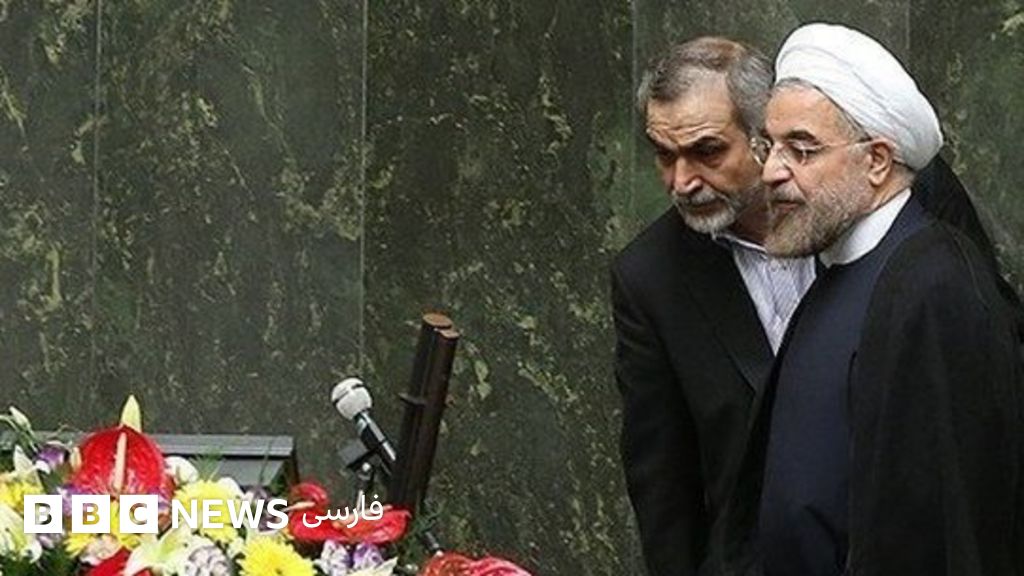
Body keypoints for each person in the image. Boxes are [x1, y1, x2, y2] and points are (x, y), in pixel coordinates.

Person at [612, 36, 1020, 576]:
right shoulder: (655, 274)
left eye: (801, 150)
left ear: (877, 161)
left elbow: (953, 486)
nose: (682, 182)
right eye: (665, 155)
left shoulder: (924, 254)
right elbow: (666, 486)